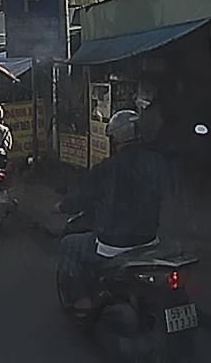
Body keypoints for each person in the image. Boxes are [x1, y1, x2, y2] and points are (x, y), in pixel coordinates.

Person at [55, 109, 169, 316]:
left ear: (115, 139)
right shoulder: (158, 162)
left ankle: (83, 303)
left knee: (69, 245)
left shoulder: (107, 168)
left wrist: (63, 206)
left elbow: (82, 197)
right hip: (149, 240)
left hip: (113, 243)